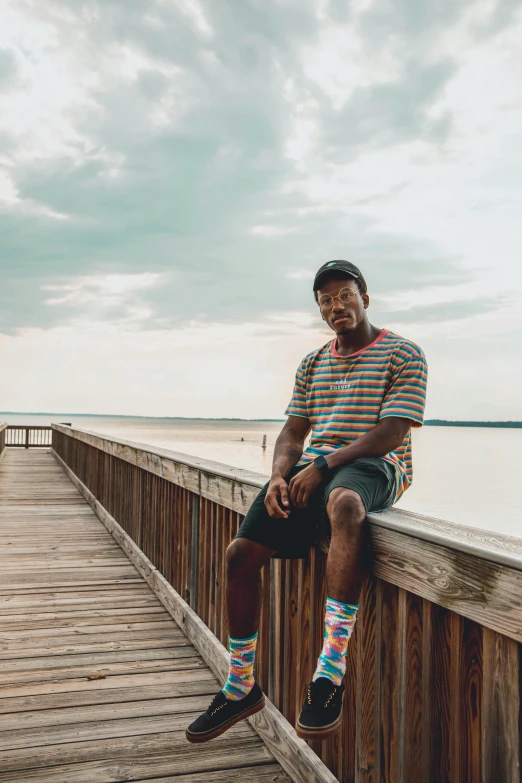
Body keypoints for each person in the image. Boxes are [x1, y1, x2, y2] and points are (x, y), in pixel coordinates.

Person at [186, 259, 428, 743]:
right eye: (326, 300)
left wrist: (323, 465)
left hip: (377, 464)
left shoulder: (404, 354)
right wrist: (279, 475)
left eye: (345, 294)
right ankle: (240, 686)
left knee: (344, 505)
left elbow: (391, 432)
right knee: (240, 554)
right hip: (312, 470)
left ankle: (329, 673)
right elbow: (294, 431)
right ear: (320, 310)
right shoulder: (313, 363)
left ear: (365, 297)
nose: (336, 305)